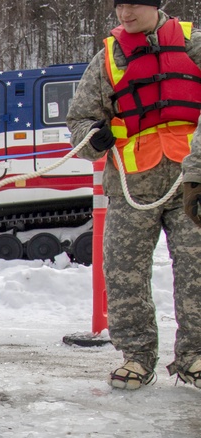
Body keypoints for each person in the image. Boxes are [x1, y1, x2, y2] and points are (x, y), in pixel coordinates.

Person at [67, 1, 201, 390]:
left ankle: (194, 355)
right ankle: (137, 357)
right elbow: (79, 119)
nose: (125, 14)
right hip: (131, 184)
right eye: (119, 6)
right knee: (123, 272)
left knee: (196, 270)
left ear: (156, 5)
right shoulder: (109, 56)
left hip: (188, 182)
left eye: (134, 6)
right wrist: (93, 136)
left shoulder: (194, 45)